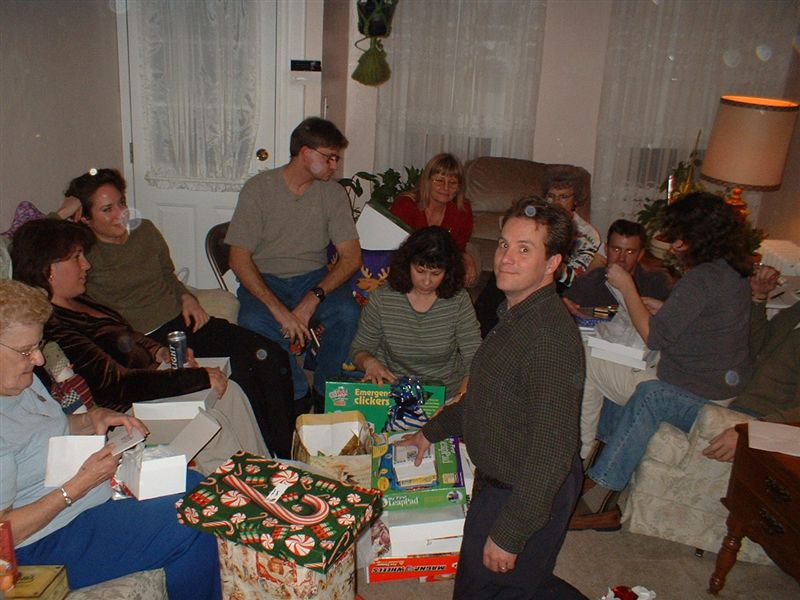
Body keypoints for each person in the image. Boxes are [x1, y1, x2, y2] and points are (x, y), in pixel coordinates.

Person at [398, 198, 586, 599]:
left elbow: (552, 452)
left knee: (494, 586)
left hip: (526, 490)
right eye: (504, 244)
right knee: (512, 583)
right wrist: (431, 432)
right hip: (502, 482)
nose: (506, 258)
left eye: (524, 249)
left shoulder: (549, 339)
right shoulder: (515, 315)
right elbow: (487, 398)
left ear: (552, 263)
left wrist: (510, 534)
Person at [0, 280, 220, 599]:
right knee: (189, 518)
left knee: (194, 483)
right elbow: (4, 534)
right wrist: (80, 484)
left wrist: (92, 419)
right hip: (40, 544)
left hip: (82, 506)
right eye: (25, 351)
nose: (38, 360)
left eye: (38, 346)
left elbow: (43, 434)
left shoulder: (20, 380)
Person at [54, 169, 294, 456]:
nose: (121, 214)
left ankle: (284, 453)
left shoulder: (144, 230)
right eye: (107, 209)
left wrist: (186, 296)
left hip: (183, 323)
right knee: (241, 374)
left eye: (121, 203)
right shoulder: (83, 254)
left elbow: (168, 275)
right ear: (85, 218)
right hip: (146, 340)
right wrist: (64, 211)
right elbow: (36, 250)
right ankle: (260, 455)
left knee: (269, 355)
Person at [12, 218, 269, 469]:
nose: (87, 265)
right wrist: (198, 378)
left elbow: (126, 335)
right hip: (128, 411)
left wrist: (158, 351)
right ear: (49, 269)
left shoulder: (79, 300)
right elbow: (116, 385)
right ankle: (239, 487)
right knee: (211, 424)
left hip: (151, 386)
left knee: (230, 392)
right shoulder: (55, 326)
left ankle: (269, 472)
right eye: (77, 257)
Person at [572, 192, 754, 529]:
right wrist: (663, 308)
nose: (673, 245)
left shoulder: (702, 278)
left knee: (589, 361)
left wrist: (627, 287)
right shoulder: (730, 271)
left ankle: (587, 468)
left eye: (678, 236)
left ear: (693, 237)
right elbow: (703, 321)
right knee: (612, 367)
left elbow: (654, 337)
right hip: (710, 381)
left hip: (698, 394)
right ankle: (592, 462)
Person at [572, 294, 798, 532]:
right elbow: (757, 344)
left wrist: (754, 431)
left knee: (653, 394)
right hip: (730, 390)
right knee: (625, 373)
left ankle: (602, 499)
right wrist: (759, 302)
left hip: (749, 417)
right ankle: (591, 470)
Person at [226, 118, 362, 413]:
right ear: (305, 153)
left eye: (336, 158)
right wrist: (281, 312)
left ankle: (326, 390)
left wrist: (312, 299)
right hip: (265, 278)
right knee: (253, 321)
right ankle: (297, 392)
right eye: (329, 157)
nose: (334, 166)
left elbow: (352, 257)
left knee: (347, 312)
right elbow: (238, 259)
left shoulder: (332, 194)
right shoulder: (258, 189)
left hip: (312, 278)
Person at [350, 226, 481, 400]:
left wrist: (459, 398)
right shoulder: (383, 298)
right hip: (393, 391)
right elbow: (359, 349)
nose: (426, 281)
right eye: (420, 271)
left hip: (445, 393)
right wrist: (368, 362)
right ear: (407, 264)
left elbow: (475, 357)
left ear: (448, 272)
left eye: (436, 273)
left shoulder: (458, 300)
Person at [390, 153, 478, 287]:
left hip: (441, 270)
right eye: (439, 180)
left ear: (459, 187)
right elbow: (395, 249)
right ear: (427, 181)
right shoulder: (406, 205)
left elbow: (458, 247)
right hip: (406, 268)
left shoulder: (462, 210)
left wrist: (466, 257)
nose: (446, 188)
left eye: (453, 183)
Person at [562, 219, 671, 316]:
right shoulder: (589, 282)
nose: (621, 258)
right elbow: (566, 304)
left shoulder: (656, 283)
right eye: (616, 249)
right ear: (606, 250)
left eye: (630, 252)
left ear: (640, 254)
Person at [543, 165, 602, 289]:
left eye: (563, 197)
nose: (556, 202)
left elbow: (575, 278)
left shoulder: (587, 235)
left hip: (560, 287)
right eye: (551, 196)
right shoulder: (537, 222)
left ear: (575, 200)